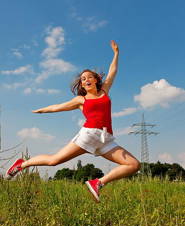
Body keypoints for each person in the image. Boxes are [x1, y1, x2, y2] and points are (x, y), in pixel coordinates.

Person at [6, 40, 140, 202]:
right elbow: (57, 107)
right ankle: (22, 164)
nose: (86, 79)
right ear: (82, 84)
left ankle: (98, 183)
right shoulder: (81, 100)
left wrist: (116, 54)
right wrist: (40, 110)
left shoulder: (104, 90)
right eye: (83, 79)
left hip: (106, 139)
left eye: (90, 77)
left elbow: (112, 72)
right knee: (54, 161)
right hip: (89, 135)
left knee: (133, 165)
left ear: (96, 80)